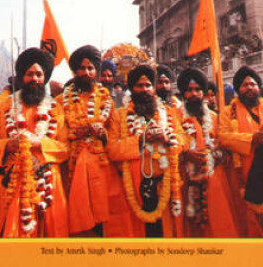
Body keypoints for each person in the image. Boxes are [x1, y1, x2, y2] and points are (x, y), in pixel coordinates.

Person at [0, 47, 69, 238]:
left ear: (44, 78)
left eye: (39, 74)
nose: (34, 79)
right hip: (8, 186)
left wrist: (40, 145)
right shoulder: (4, 106)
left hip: (46, 186)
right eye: (29, 74)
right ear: (21, 77)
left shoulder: (56, 108)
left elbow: (65, 148)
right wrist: (7, 146)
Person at [107, 64, 187, 237]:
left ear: (154, 88)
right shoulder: (119, 115)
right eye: (139, 86)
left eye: (148, 85)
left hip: (164, 184)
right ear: (132, 89)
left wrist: (167, 138)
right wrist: (141, 140)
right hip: (134, 185)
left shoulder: (168, 112)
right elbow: (112, 150)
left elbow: (183, 140)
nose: (144, 90)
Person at [219, 66, 263, 237]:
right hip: (244, 175)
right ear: (238, 89)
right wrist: (252, 139)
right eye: (244, 85)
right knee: (249, 223)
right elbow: (224, 137)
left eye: (252, 84)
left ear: (259, 87)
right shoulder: (228, 112)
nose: (249, 88)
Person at [59, 45, 114, 236]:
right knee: (77, 222)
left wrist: (102, 134)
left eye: (91, 68)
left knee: (102, 224)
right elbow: (57, 135)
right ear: (75, 71)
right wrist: (75, 134)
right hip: (72, 168)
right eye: (81, 68)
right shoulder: (61, 100)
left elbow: (113, 135)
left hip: (101, 168)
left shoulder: (107, 100)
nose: (86, 72)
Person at [177, 68, 237, 237]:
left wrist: (216, 155)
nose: (194, 94)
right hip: (186, 180)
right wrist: (186, 154)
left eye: (198, 90)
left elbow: (225, 147)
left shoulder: (214, 117)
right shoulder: (174, 116)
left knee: (219, 224)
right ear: (183, 93)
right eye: (189, 90)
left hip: (215, 179)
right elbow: (170, 147)